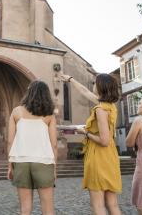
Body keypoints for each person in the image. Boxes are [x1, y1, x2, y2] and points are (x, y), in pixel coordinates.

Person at [60, 73, 122, 215]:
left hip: (98, 156)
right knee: (112, 204)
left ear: (101, 87)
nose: (93, 85)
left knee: (98, 205)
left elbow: (104, 141)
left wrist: (85, 132)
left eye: (95, 83)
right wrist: (71, 79)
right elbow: (85, 92)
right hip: (110, 156)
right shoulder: (110, 106)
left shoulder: (100, 110)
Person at [7, 80, 58, 215]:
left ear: (28, 93)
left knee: (25, 208)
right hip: (43, 162)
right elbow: (54, 144)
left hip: (20, 162)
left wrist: (10, 166)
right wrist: (54, 167)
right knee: (47, 207)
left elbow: (10, 142)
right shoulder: (49, 115)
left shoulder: (16, 112)